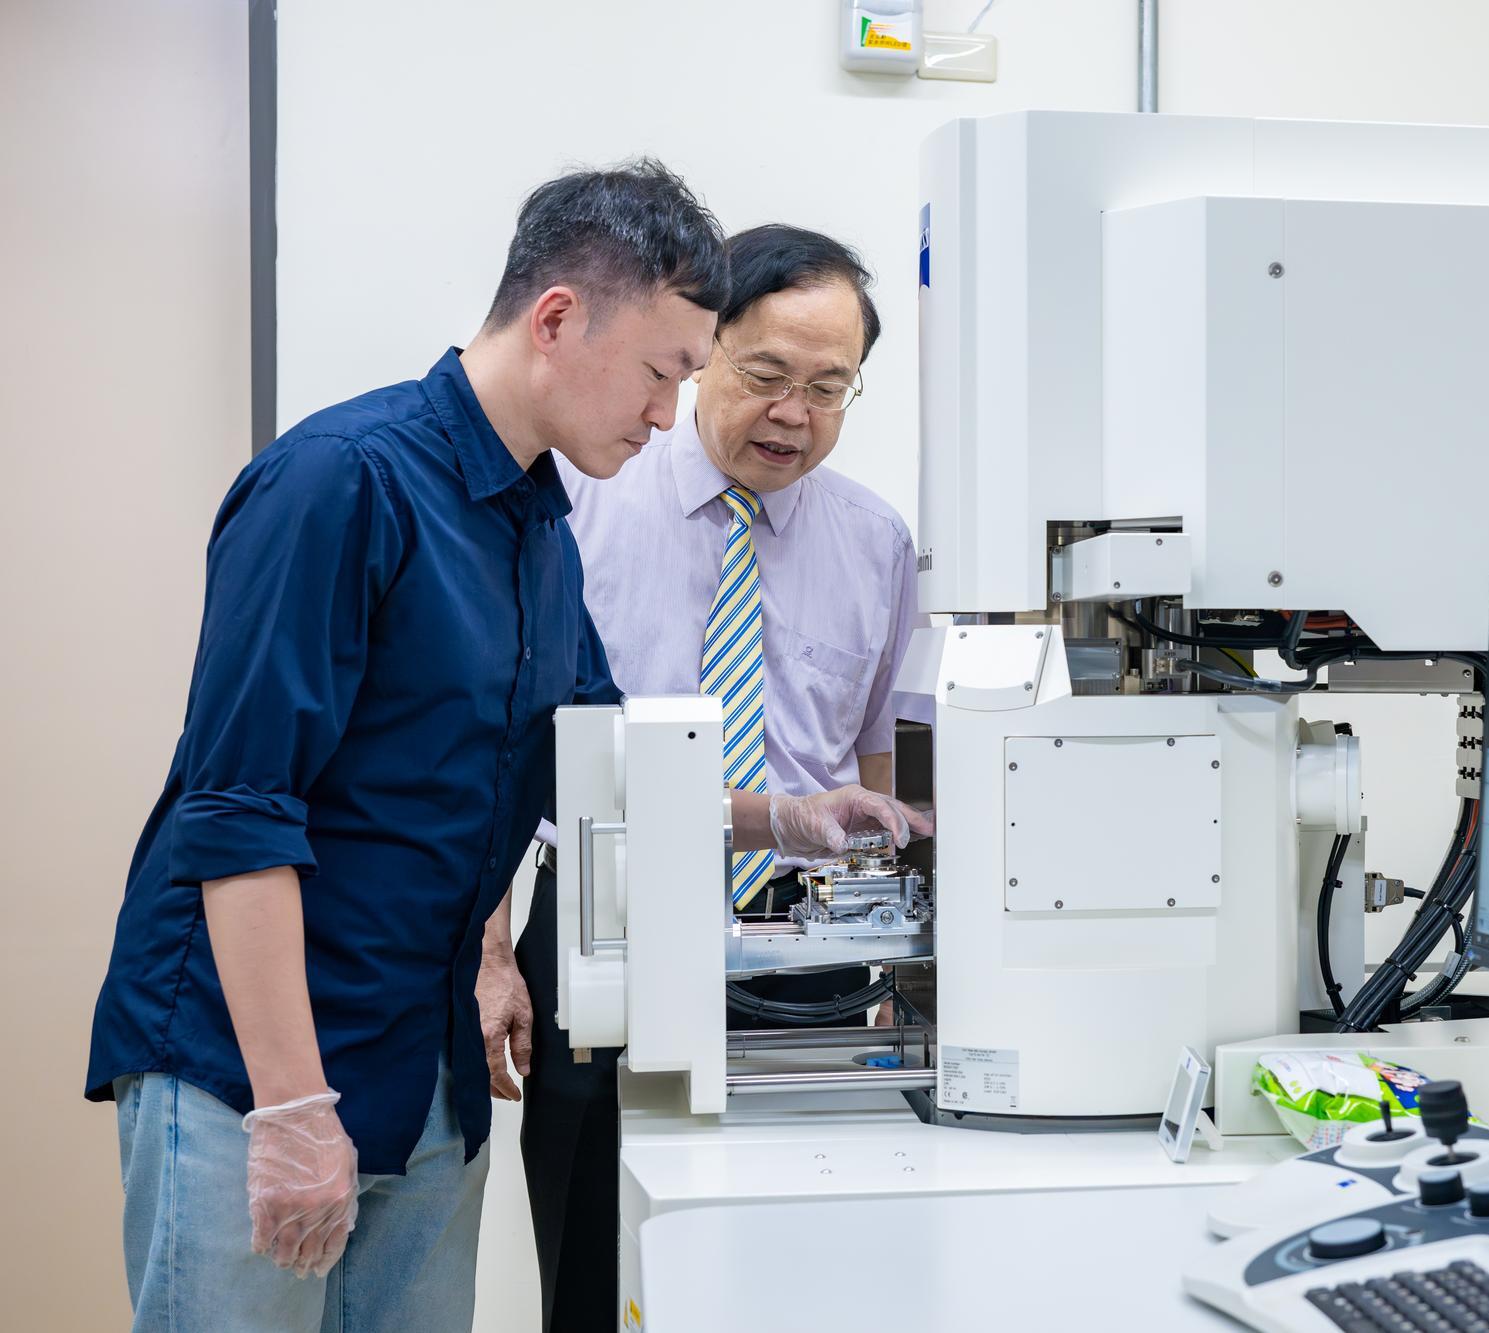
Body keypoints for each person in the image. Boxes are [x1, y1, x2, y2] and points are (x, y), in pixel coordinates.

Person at [84, 163, 921, 1332]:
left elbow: (598, 750)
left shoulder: (536, 522)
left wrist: (786, 817)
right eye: (662, 373)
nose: (668, 415)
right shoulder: (338, 481)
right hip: (254, 1062)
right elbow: (237, 813)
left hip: (417, 1060)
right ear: (559, 319)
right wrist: (287, 1109)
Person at [478, 224, 920, 1331]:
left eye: (829, 388)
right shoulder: (576, 501)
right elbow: (495, 742)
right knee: (596, 1252)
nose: (793, 414)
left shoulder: (875, 542)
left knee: (801, 1262)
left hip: (810, 949)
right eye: (766, 376)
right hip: (603, 920)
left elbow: (876, 762)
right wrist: (489, 946)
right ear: (697, 353)